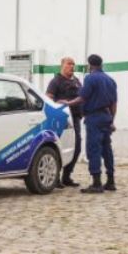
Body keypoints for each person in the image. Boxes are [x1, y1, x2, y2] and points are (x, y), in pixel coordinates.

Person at [64, 54, 118, 194]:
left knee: (93, 149)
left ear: (90, 65)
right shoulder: (110, 80)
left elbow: (82, 97)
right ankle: (110, 181)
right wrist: (111, 120)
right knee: (107, 149)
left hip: (94, 116)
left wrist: (68, 103)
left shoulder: (90, 78)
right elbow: (113, 103)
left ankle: (96, 183)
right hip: (106, 116)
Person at [46, 57, 82, 188]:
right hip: (62, 120)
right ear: (62, 65)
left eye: (73, 64)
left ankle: (67, 176)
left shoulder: (77, 81)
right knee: (60, 148)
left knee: (76, 148)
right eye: (69, 64)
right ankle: (55, 178)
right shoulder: (55, 81)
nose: (72, 66)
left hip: (76, 119)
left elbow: (83, 96)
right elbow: (49, 99)